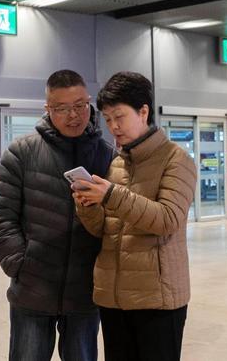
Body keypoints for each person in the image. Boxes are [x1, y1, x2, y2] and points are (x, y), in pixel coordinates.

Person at [0, 70, 114, 361]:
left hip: (85, 293)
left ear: (90, 103)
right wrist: (20, 263)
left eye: (80, 105)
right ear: (47, 109)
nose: (74, 115)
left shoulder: (107, 157)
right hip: (33, 289)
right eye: (62, 108)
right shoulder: (21, 153)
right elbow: (0, 215)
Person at [72, 71, 197, 361]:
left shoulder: (176, 160)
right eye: (107, 119)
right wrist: (88, 205)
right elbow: (104, 229)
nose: (113, 127)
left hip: (158, 301)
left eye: (119, 117)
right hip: (114, 298)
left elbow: (168, 219)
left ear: (143, 112)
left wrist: (111, 195)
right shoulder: (116, 164)